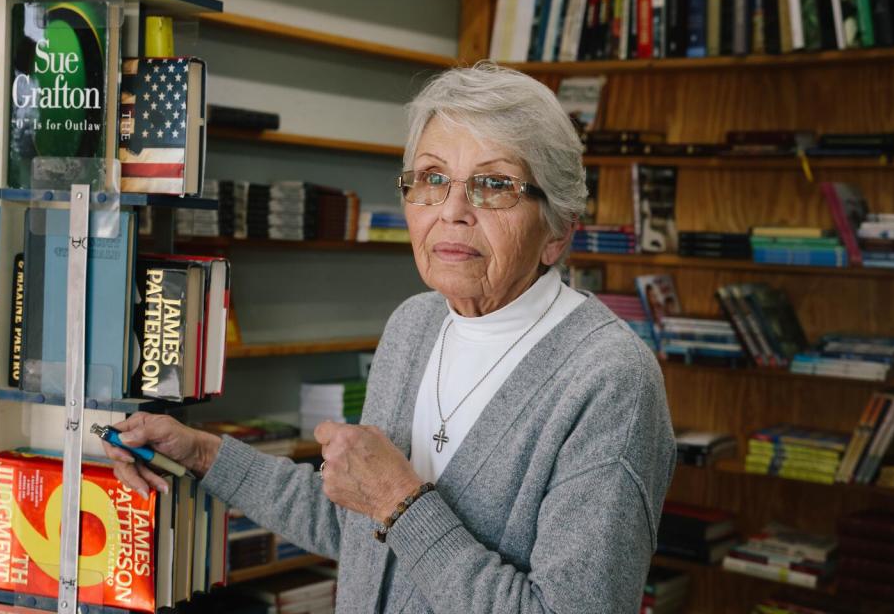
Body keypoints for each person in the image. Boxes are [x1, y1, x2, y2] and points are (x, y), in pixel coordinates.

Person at [104, 62, 675, 613]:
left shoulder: (610, 380)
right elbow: (358, 526)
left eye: (493, 185)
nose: (453, 211)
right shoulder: (414, 324)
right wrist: (204, 452)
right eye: (431, 179)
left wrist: (400, 503)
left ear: (557, 231)